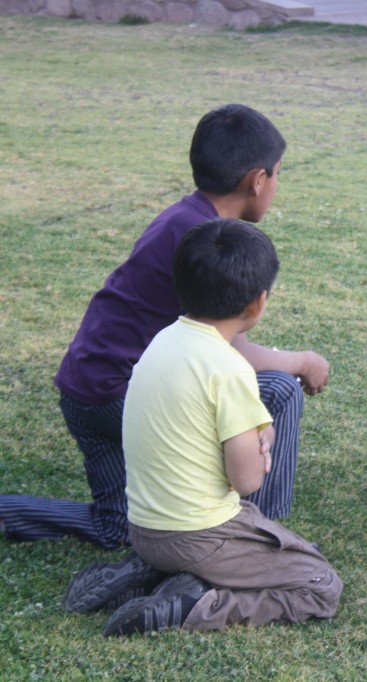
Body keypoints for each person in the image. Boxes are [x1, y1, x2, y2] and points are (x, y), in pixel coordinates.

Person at [0, 104, 329, 559]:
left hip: (86, 391)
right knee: (278, 389)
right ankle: (256, 535)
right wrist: (304, 363)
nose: (276, 185)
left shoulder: (185, 217)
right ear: (257, 180)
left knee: (116, 526)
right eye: (277, 174)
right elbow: (234, 352)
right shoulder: (206, 238)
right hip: (120, 397)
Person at [94, 218, 341, 636]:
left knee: (272, 543)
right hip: (198, 535)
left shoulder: (163, 339)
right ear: (258, 303)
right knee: (320, 583)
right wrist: (263, 450)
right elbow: (245, 481)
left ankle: (148, 573)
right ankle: (197, 604)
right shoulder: (228, 368)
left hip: (145, 528)